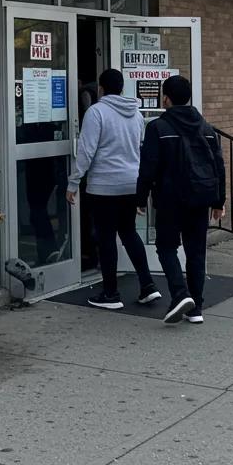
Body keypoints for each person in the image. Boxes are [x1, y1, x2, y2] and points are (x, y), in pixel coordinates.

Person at [67, 68, 161, 310]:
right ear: (121, 88)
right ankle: (148, 286)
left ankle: (111, 294)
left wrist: (74, 182)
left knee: (106, 237)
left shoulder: (96, 112)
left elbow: (86, 151)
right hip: (131, 183)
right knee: (129, 233)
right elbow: (139, 148)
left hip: (104, 186)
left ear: (100, 89)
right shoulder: (136, 114)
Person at [137, 75, 225, 325]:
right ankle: (195, 308)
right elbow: (219, 166)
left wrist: (141, 198)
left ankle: (180, 293)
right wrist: (219, 201)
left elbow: (148, 166)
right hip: (201, 197)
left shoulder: (157, 128)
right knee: (196, 252)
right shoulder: (206, 128)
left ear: (166, 98)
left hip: (170, 198)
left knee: (166, 247)